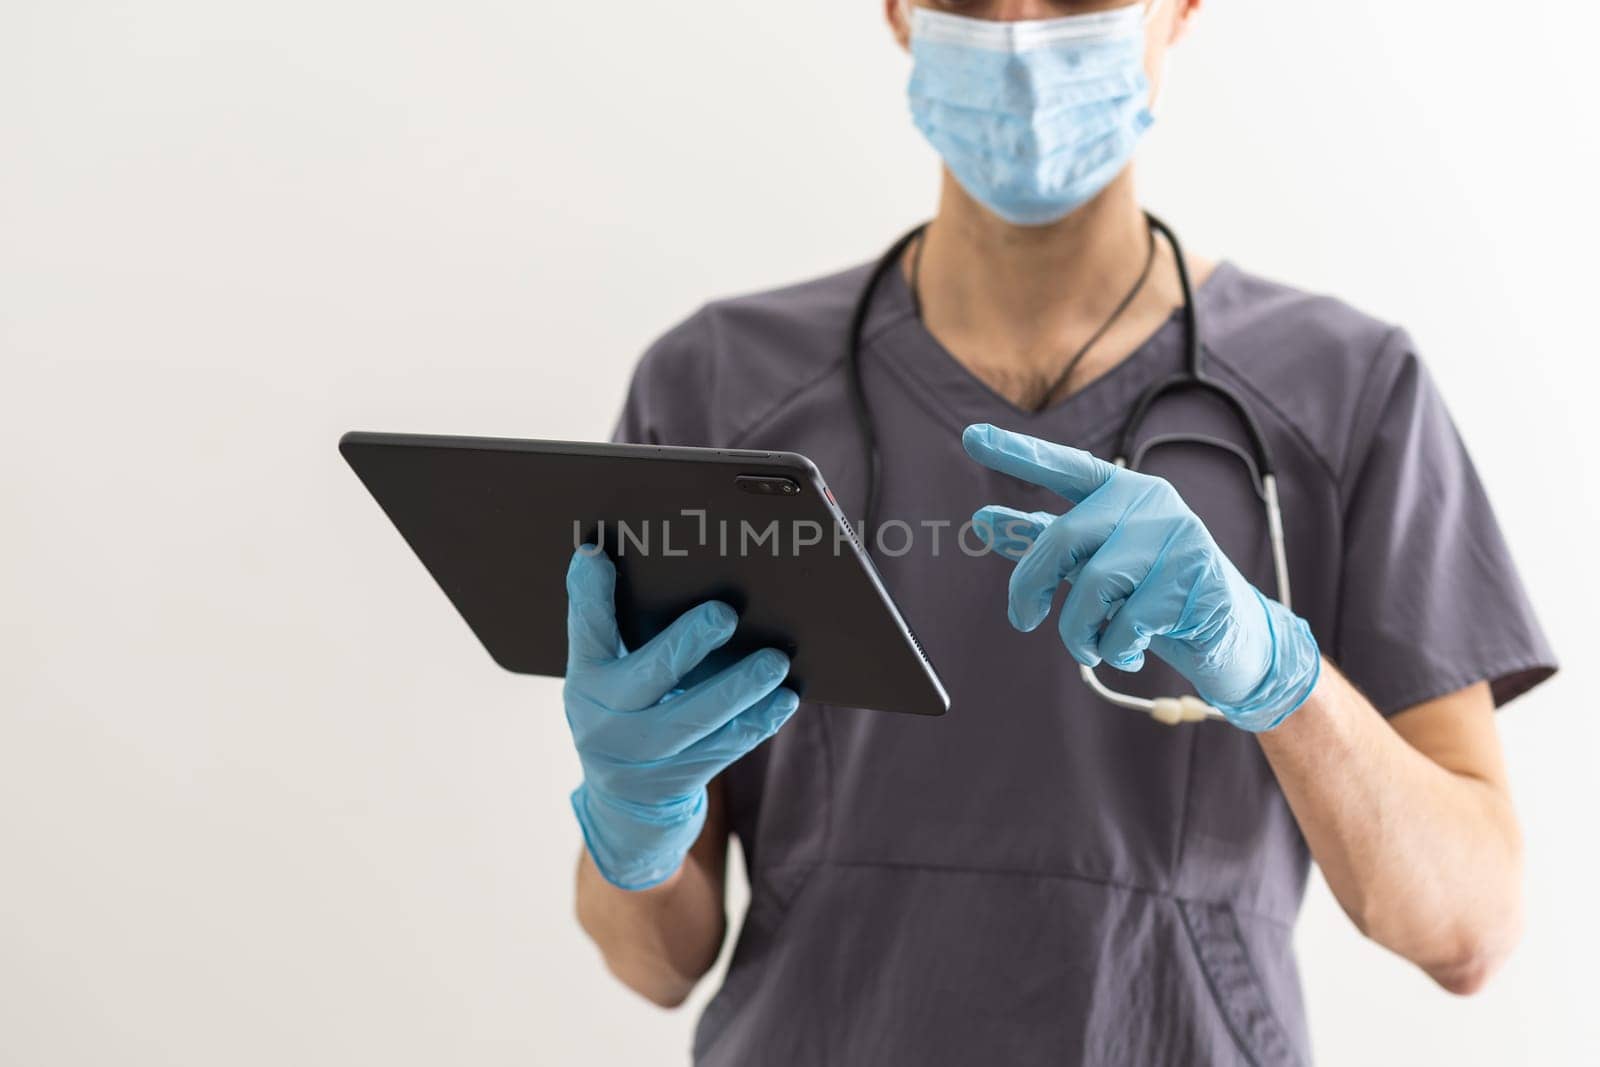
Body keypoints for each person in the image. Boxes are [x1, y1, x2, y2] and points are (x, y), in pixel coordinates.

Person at [562, 1, 1556, 1063]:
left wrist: (1279, 674)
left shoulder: (1346, 392)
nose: (1021, 29)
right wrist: (632, 817)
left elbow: (1468, 927)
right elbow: (654, 960)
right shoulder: (720, 387)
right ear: (898, 10)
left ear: (1178, 9)